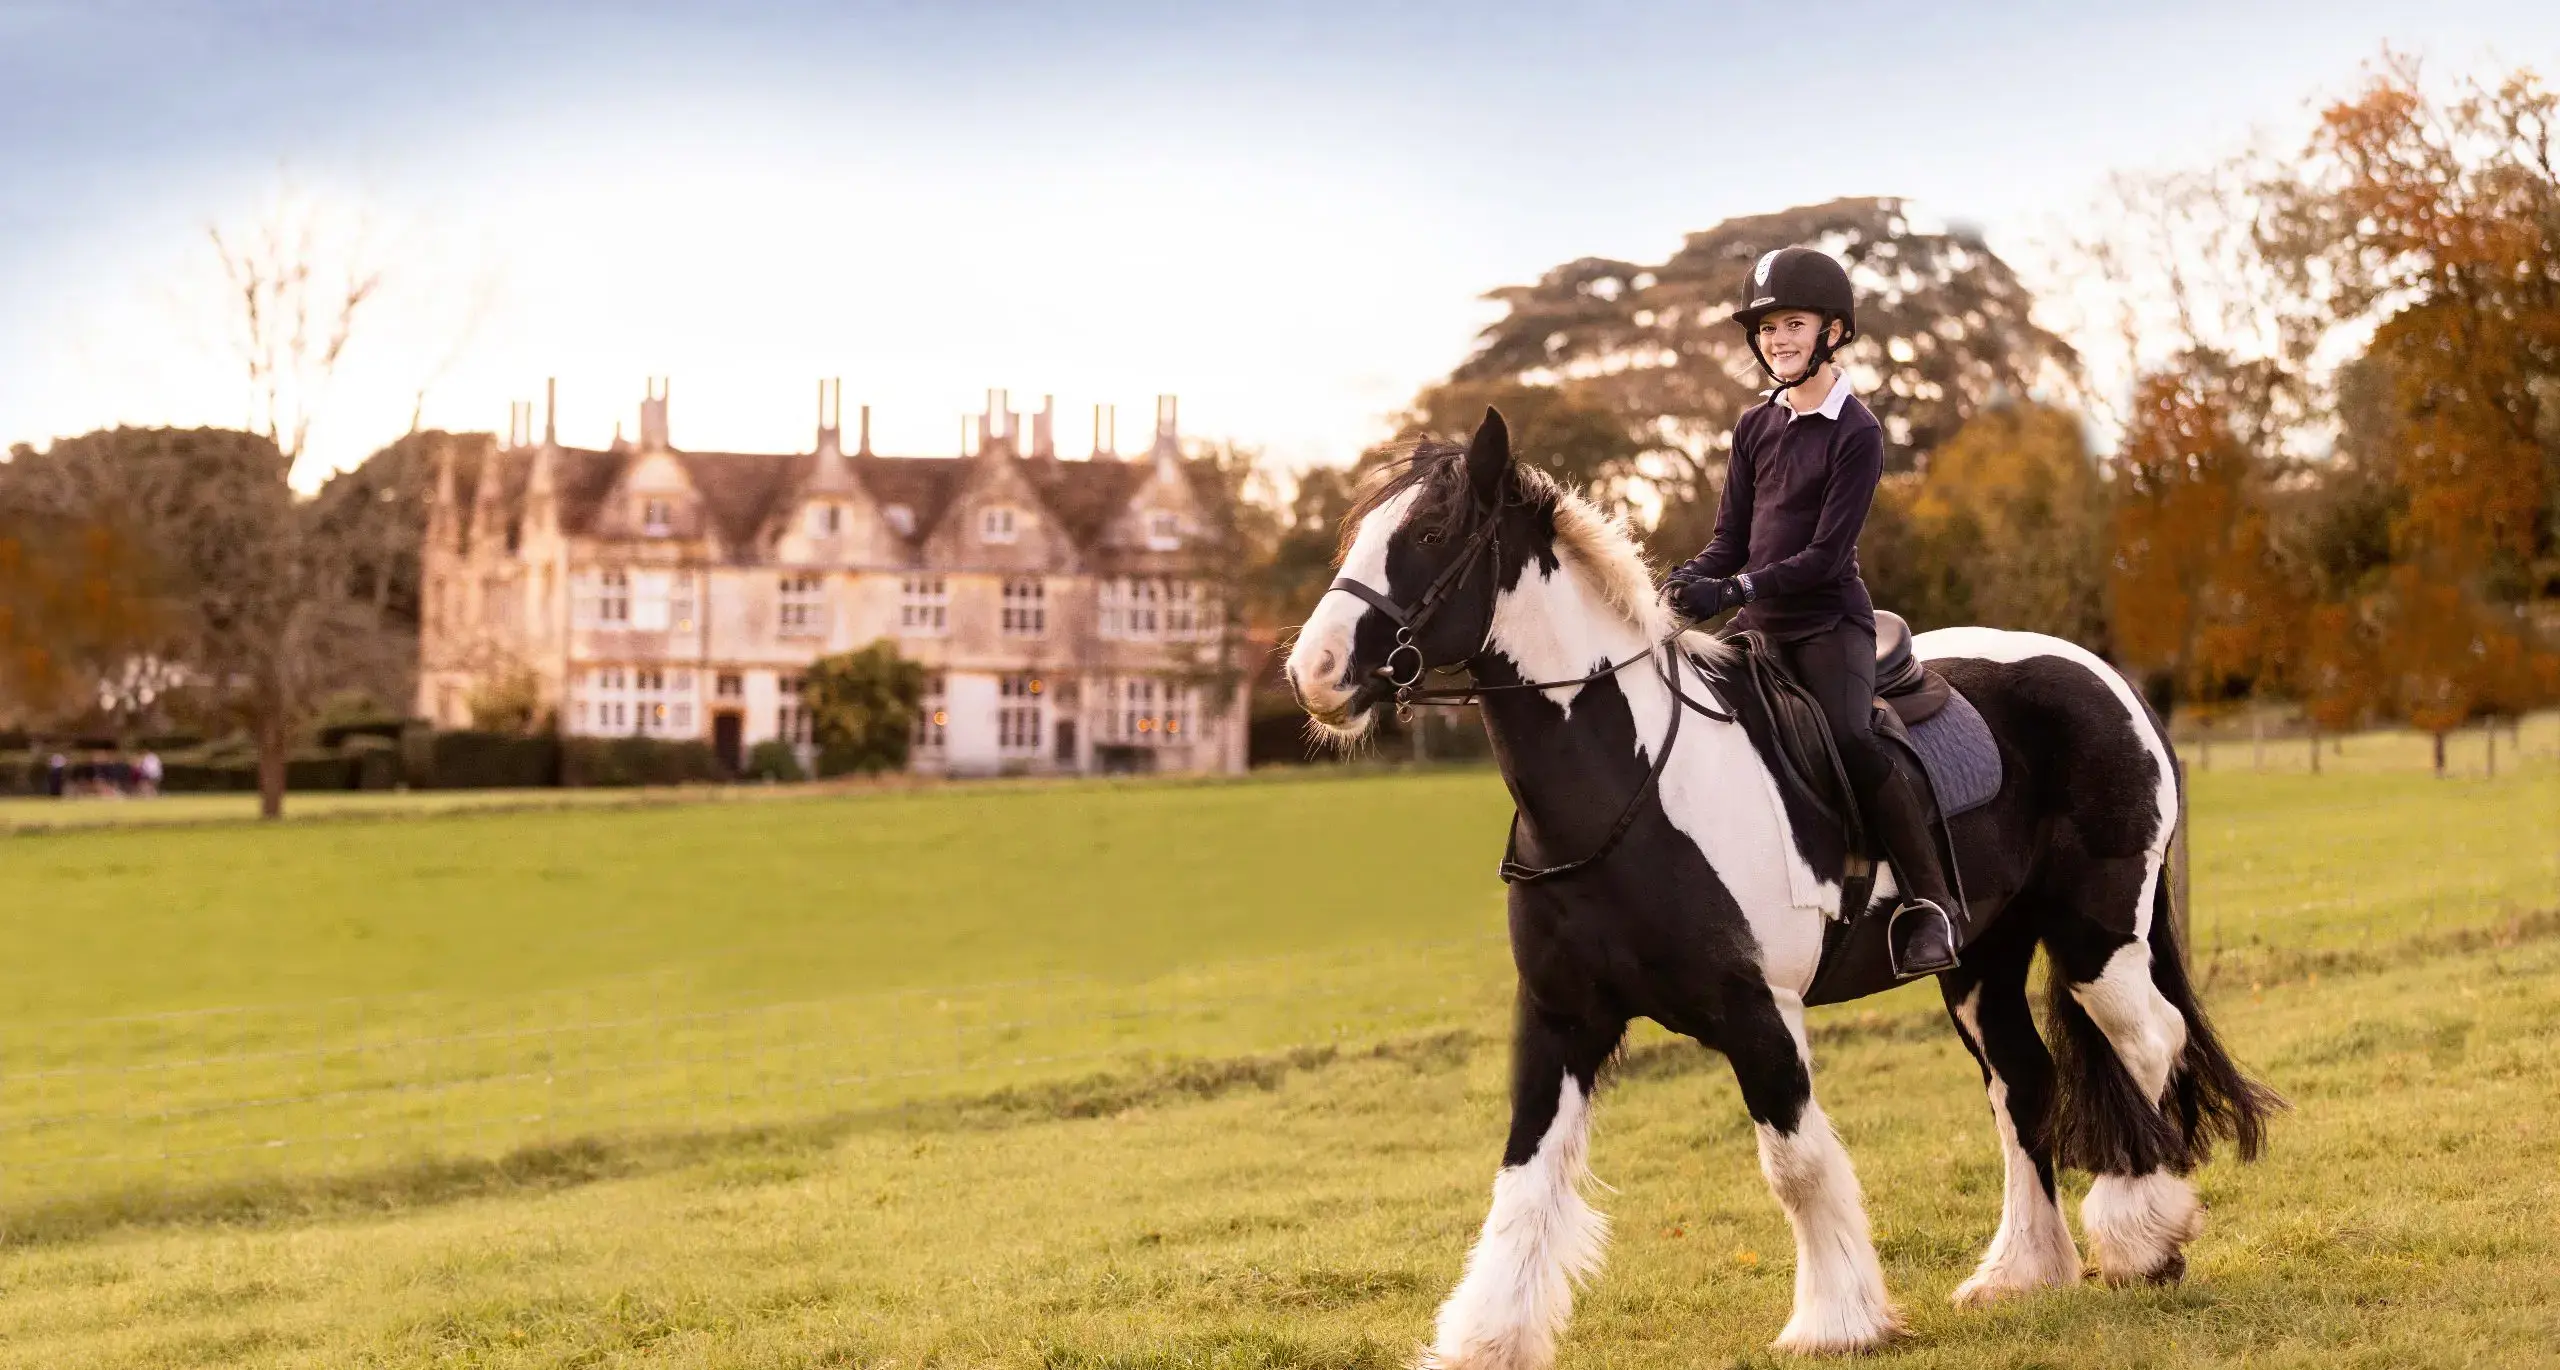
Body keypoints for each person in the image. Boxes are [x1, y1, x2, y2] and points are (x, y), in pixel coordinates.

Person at [1664, 245, 1960, 977]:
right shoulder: (1754, 427)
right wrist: (1685, 584)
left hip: (1829, 624)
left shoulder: (1856, 431)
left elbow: (1825, 558)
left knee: (1855, 742)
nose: (1778, 341)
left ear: (1831, 331)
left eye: (1792, 324)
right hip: (1760, 628)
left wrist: (1730, 594)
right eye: (1766, 330)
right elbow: (1730, 541)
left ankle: (1933, 906)